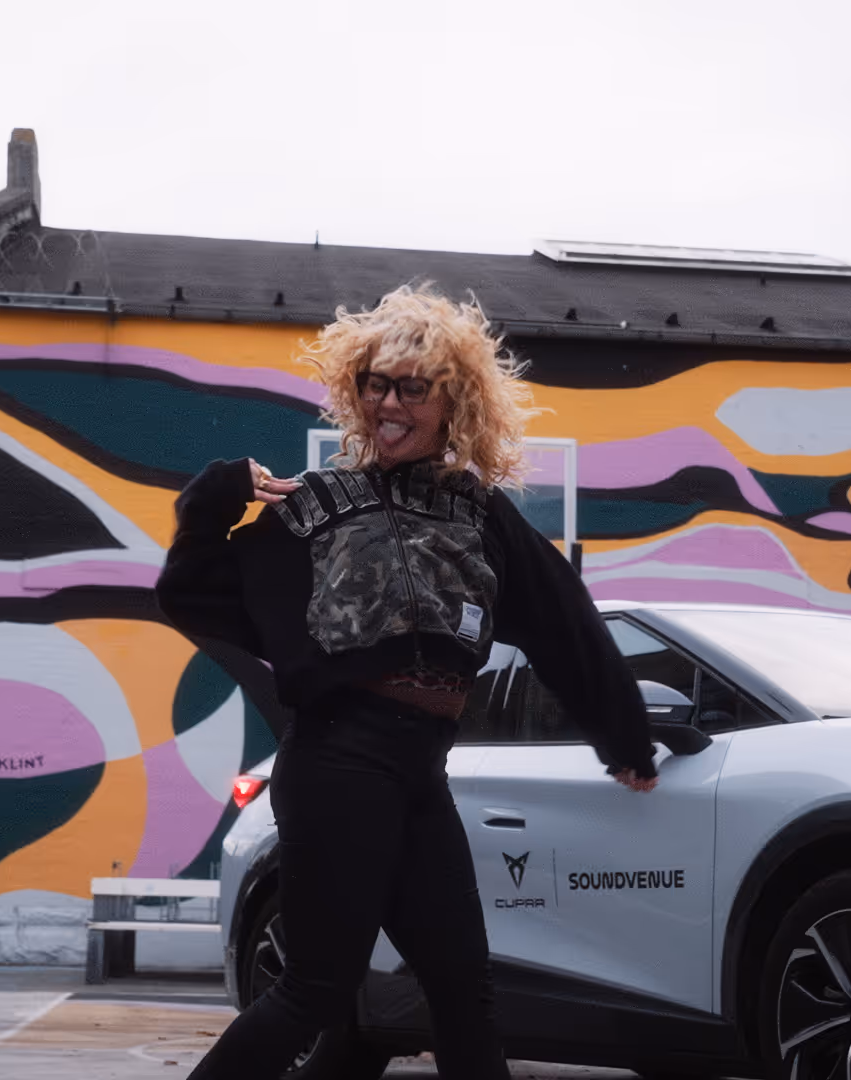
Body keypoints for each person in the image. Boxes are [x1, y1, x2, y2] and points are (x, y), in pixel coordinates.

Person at [156, 283, 658, 1080]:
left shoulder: (480, 516)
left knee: (464, 992)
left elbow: (570, 626)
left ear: (451, 400)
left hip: (419, 773)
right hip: (335, 763)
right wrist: (216, 498)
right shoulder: (317, 509)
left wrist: (624, 739)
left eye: (411, 387)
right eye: (374, 384)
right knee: (317, 992)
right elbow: (187, 592)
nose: (388, 403)